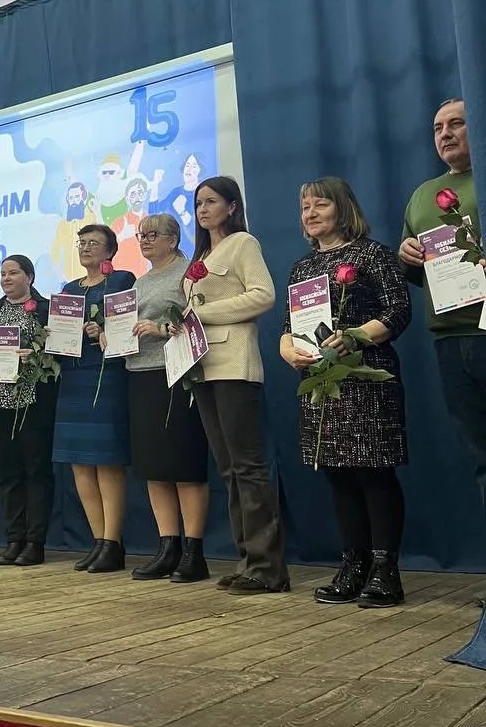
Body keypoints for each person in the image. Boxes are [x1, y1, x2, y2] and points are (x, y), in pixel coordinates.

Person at [282, 179, 411, 607]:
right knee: (337, 473)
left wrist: (354, 336)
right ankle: (353, 565)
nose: (311, 213)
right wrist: (288, 351)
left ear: (343, 208)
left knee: (373, 471)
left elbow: (398, 310)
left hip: (366, 375)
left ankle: (385, 569)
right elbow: (289, 327)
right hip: (321, 381)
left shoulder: (372, 254)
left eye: (320, 204)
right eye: (305, 207)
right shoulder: (302, 268)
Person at [182, 177, 289, 594]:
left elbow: (263, 295)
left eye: (210, 201)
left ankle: (268, 568)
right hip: (202, 366)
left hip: (234, 363)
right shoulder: (201, 256)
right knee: (227, 468)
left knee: (247, 465)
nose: (202, 209)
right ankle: (248, 561)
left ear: (231, 206)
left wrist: (203, 314)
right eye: (197, 203)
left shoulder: (243, 243)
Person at [400, 99, 486, 517]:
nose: (446, 134)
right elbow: (415, 271)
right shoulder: (422, 196)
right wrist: (406, 255)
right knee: (481, 455)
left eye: (456, 124)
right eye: (438, 128)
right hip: (450, 339)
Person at [125, 214, 210, 583]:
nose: (144, 240)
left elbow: (200, 318)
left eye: (152, 234)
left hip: (175, 374)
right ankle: (167, 547)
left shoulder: (188, 273)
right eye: (140, 235)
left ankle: (194, 551)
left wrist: (160, 329)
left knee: (183, 463)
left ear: (173, 240)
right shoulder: (140, 281)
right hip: (139, 374)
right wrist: (109, 334)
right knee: (153, 466)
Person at [53, 225, 135, 573]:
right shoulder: (69, 290)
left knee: (106, 460)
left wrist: (103, 330)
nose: (85, 247)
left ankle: (113, 543)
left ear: (110, 250)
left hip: (106, 375)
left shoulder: (121, 281)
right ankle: (98, 541)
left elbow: (128, 324)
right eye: (81, 242)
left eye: (93, 243)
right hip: (73, 377)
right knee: (79, 463)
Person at [0, 255, 59, 567]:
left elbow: (60, 351)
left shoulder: (46, 309)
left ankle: (35, 542)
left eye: (13, 273)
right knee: (7, 475)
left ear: (30, 277)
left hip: (32, 403)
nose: (6, 278)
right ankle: (14, 539)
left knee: (36, 473)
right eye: (2, 274)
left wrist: (36, 354)